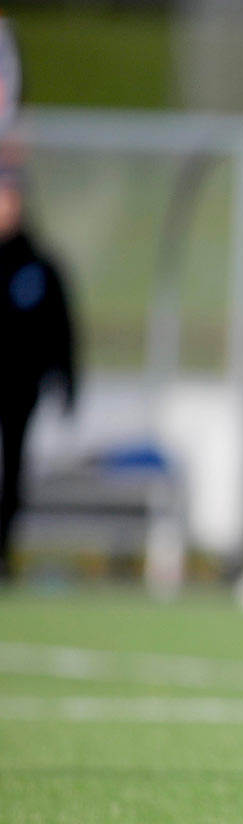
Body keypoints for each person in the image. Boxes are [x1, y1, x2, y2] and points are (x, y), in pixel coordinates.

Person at [0, 167, 78, 580]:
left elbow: (63, 330)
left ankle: (3, 550)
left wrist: (68, 382)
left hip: (18, 389)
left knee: (12, 470)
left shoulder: (39, 266)